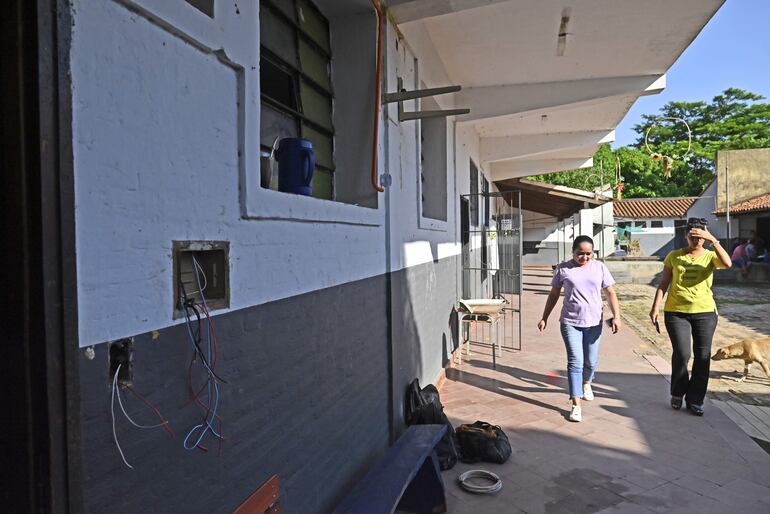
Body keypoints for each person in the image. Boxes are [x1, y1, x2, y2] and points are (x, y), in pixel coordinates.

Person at [649, 217, 731, 416]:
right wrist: (655, 307)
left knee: (703, 357)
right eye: (693, 236)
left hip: (705, 312)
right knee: (682, 354)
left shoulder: (711, 256)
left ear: (705, 236)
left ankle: (695, 399)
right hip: (676, 312)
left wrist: (713, 239)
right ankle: (677, 392)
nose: (696, 240)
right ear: (686, 235)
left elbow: (728, 264)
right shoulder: (674, 256)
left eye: (700, 236)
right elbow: (664, 283)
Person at [538, 235, 621, 422]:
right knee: (575, 362)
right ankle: (576, 404)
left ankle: (587, 383)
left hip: (594, 322)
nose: (584, 257)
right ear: (573, 252)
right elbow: (553, 294)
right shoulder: (563, 269)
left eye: (588, 254)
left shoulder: (599, 267)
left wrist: (617, 316)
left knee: (590, 361)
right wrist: (545, 317)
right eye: (580, 254)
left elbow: (610, 292)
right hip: (570, 322)